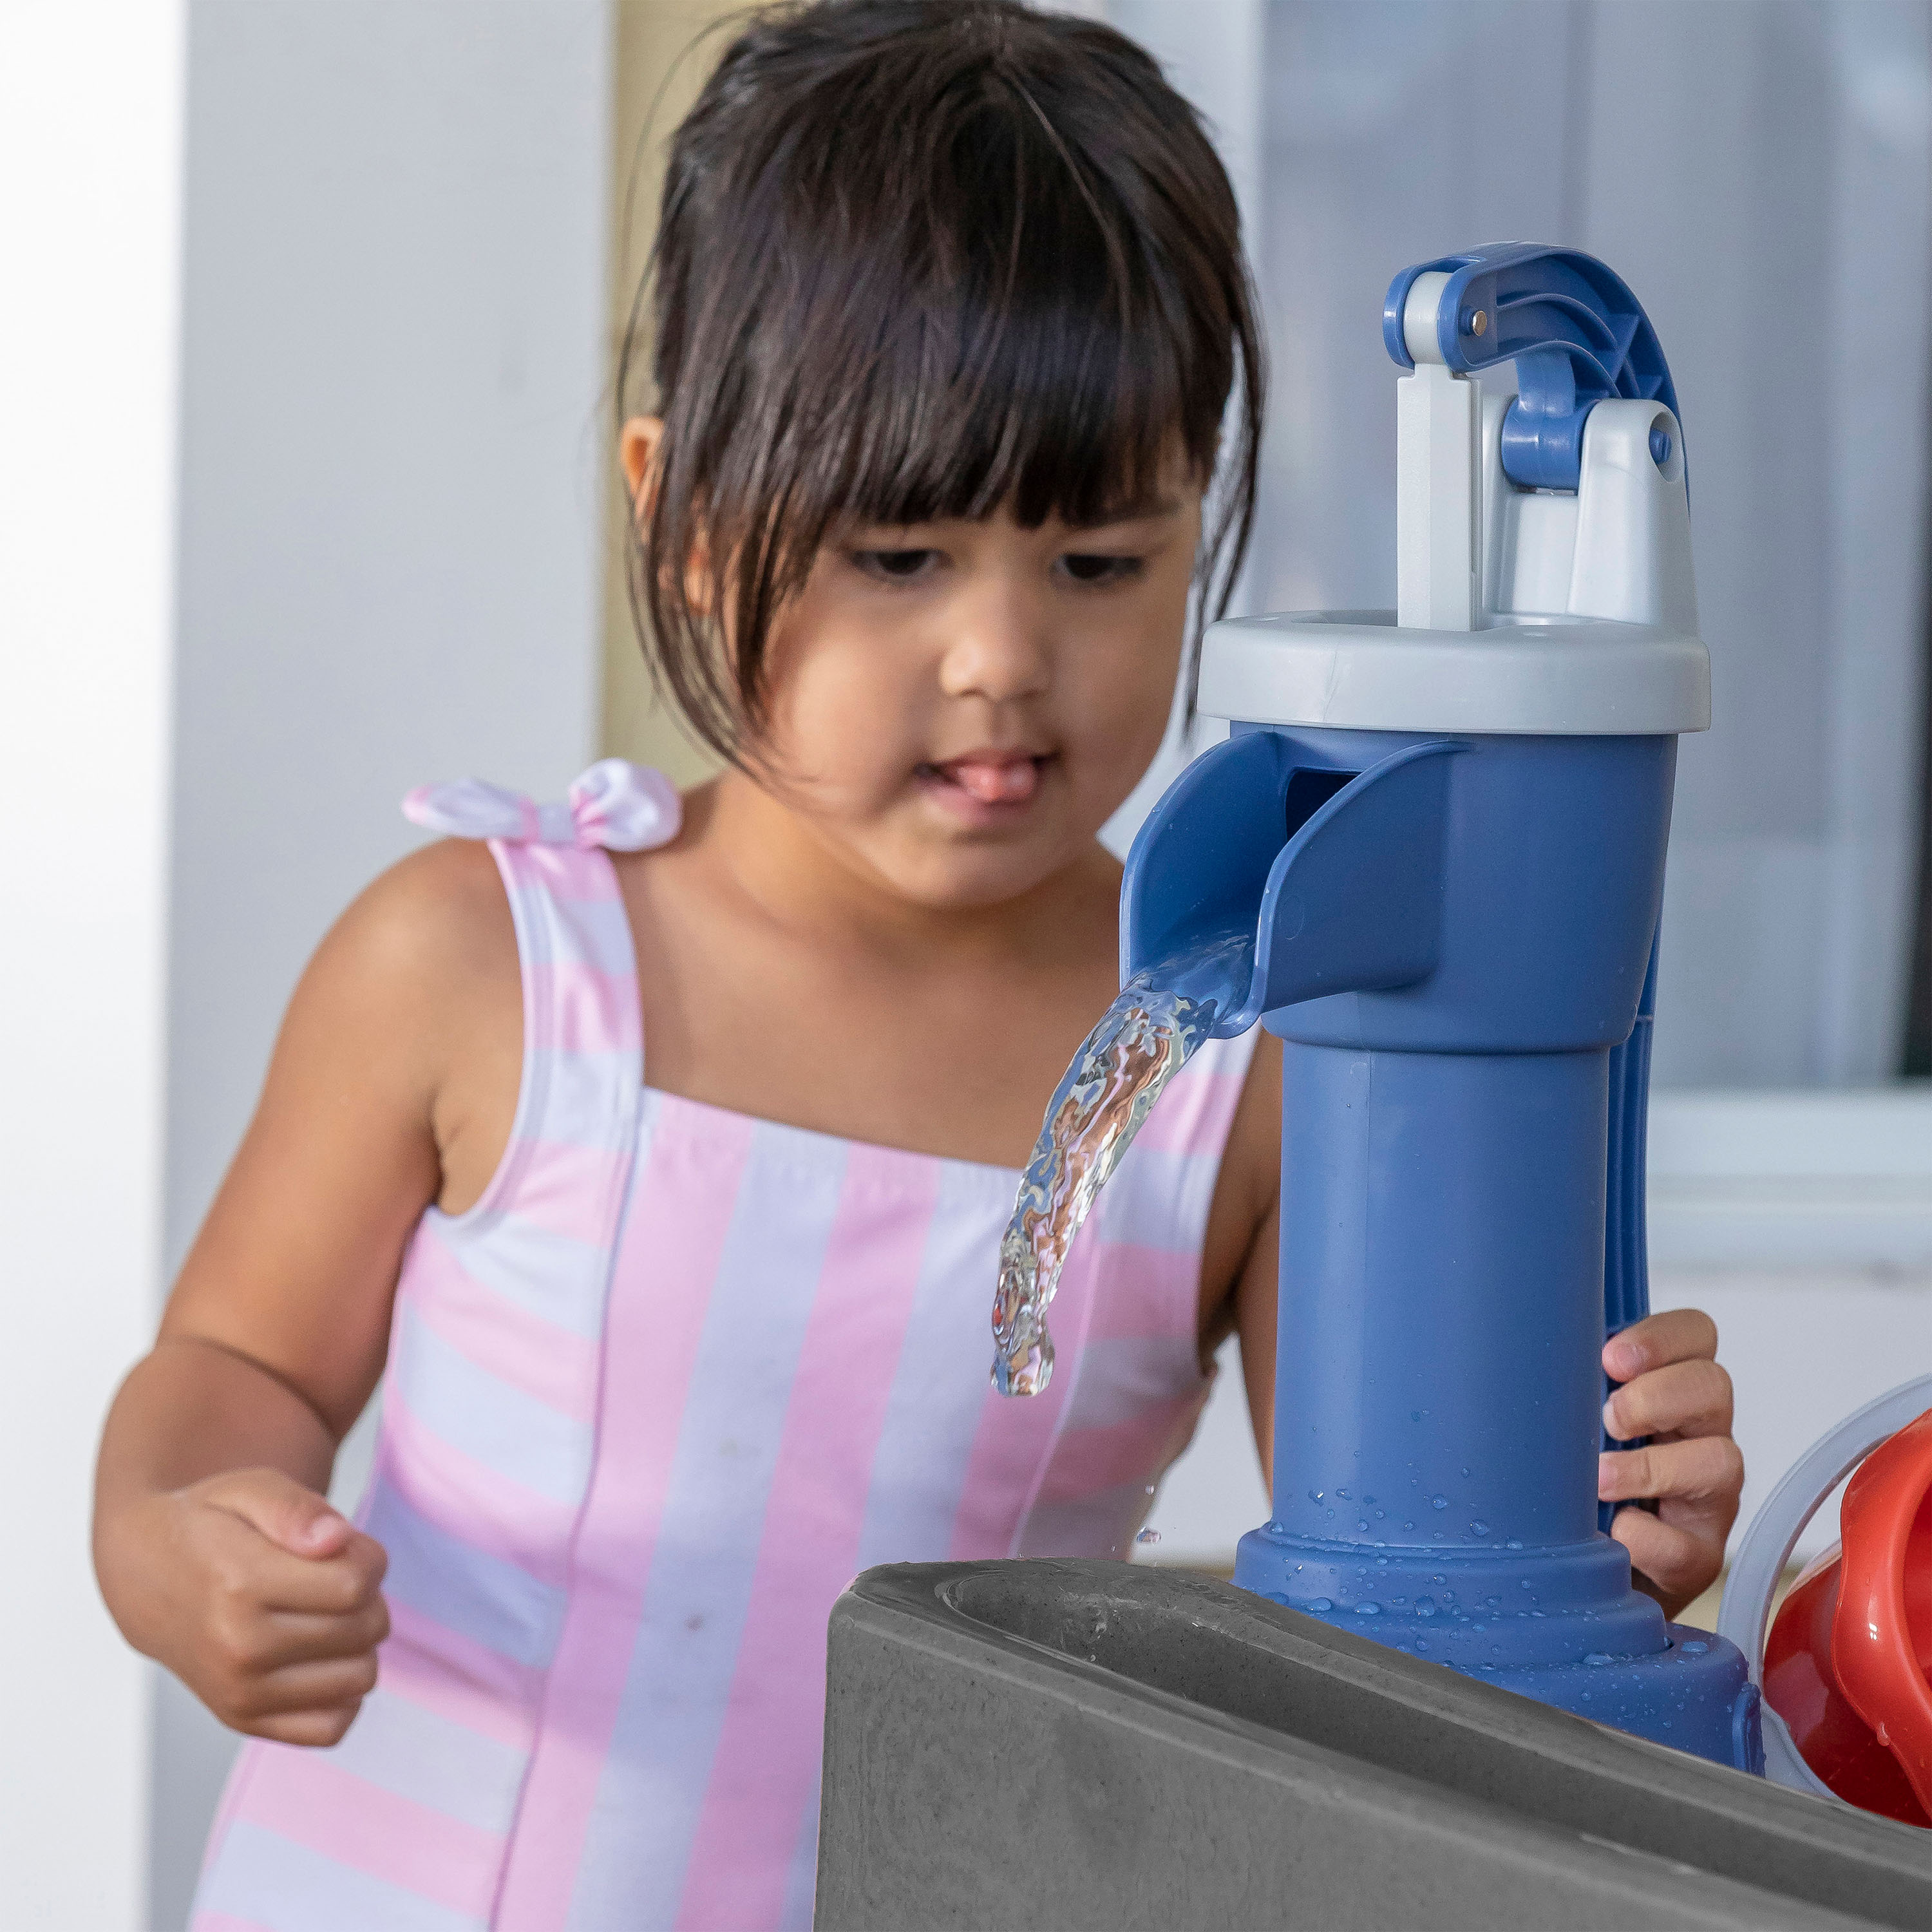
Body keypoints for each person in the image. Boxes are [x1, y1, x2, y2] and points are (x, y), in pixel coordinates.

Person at [91, 3, 1747, 1926]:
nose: (1000, 660)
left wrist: (1596, 1552)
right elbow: (235, 1367)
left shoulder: (1244, 1067)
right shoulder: (481, 963)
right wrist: (180, 1538)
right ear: (680, 519)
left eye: (1100, 562)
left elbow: (1397, 1612)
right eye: (897, 558)